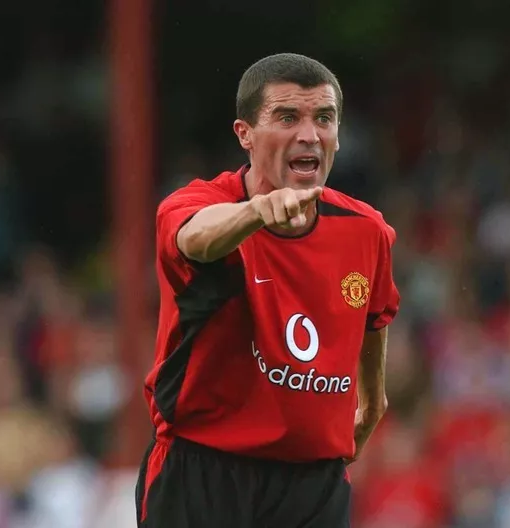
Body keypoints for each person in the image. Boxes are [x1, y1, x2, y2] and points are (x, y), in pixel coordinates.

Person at [136, 53, 400, 528]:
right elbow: (194, 237)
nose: (309, 135)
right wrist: (257, 212)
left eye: (324, 118)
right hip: (204, 471)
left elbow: (374, 315)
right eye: (287, 117)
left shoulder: (367, 231)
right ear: (245, 134)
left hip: (312, 484)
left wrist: (373, 398)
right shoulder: (203, 204)